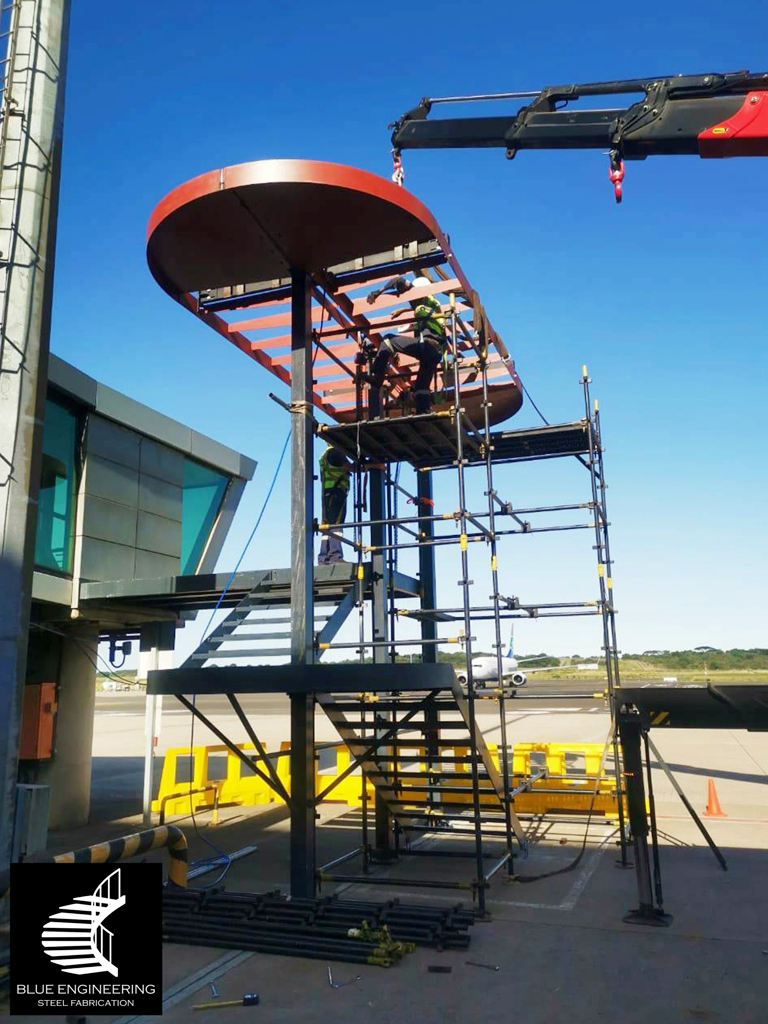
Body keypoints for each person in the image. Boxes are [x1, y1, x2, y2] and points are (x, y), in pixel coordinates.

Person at [366, 274, 447, 417]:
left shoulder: (421, 297)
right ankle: (424, 414)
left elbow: (398, 280)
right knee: (421, 387)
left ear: (419, 290)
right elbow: (418, 309)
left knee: (388, 341)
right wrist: (403, 310)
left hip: (427, 346)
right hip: (435, 352)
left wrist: (378, 292)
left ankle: (377, 378)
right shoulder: (432, 304)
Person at [318, 445, 353, 565]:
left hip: (327, 492)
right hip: (336, 492)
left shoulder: (325, 455)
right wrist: (373, 466)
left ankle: (324, 558)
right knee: (336, 524)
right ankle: (335, 556)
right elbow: (351, 467)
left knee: (327, 525)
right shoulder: (336, 453)